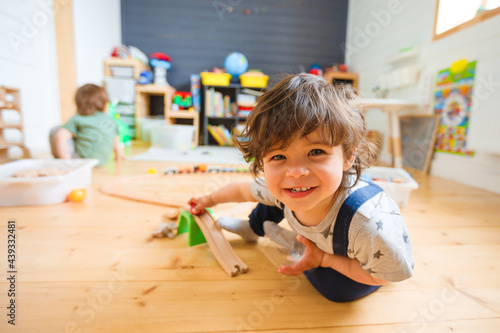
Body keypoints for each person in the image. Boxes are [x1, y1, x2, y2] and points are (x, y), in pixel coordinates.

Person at [189, 74, 413, 302]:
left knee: (338, 290)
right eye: (278, 156)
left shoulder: (368, 225)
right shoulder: (289, 183)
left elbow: (387, 274)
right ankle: (253, 228)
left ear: (348, 155)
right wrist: (208, 200)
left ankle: (311, 252)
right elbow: (242, 190)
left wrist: (325, 259)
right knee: (277, 194)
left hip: (359, 254)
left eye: (315, 152)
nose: (295, 171)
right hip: (319, 213)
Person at [49, 84, 124, 165]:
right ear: (105, 105)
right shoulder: (110, 120)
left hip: (81, 162)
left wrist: (66, 162)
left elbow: (59, 137)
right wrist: (118, 154)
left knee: (56, 130)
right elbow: (115, 139)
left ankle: (64, 162)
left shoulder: (78, 118)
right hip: (102, 162)